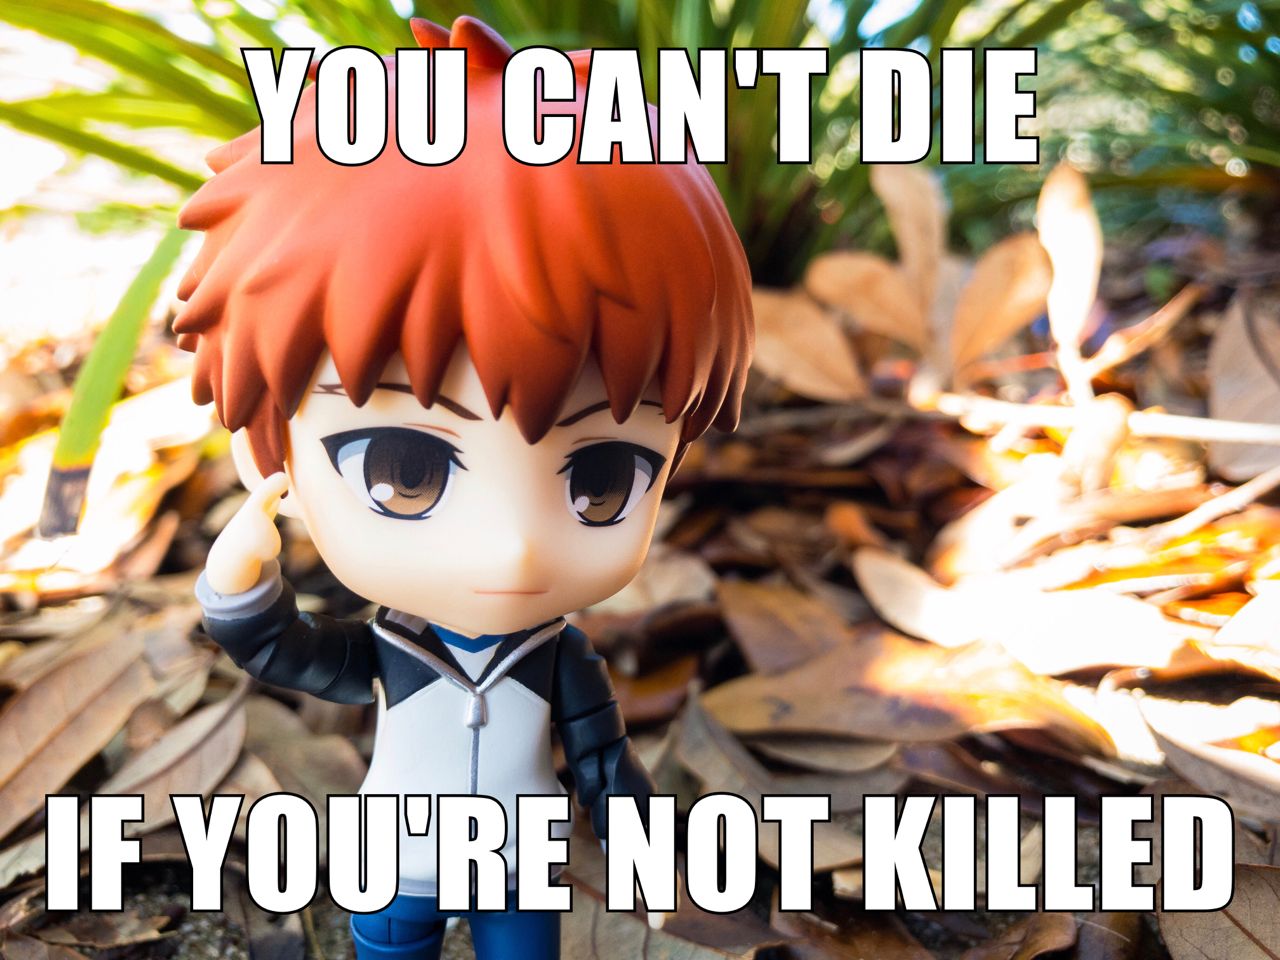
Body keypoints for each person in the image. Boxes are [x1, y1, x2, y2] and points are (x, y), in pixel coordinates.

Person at [174, 15, 753, 960]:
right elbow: (283, 653)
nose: (514, 547)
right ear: (271, 457)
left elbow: (604, 764)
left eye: (603, 477)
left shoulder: (559, 659)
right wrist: (240, 586)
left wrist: (648, 852)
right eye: (404, 470)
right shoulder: (389, 650)